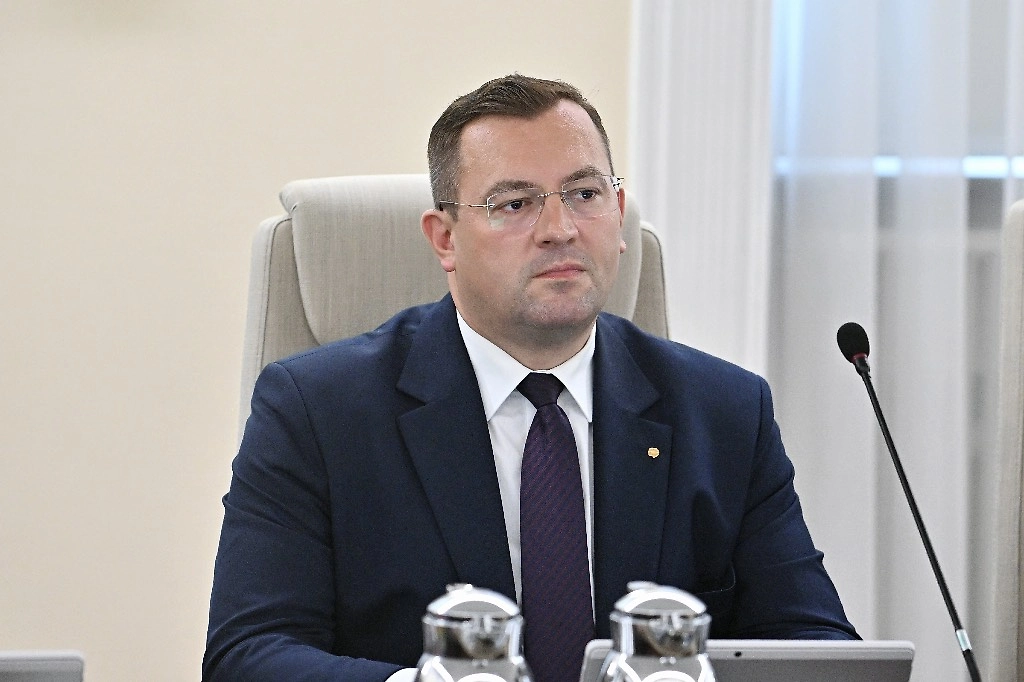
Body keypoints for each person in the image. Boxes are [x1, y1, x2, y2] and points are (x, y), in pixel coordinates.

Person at [203, 74, 857, 682]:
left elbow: (817, 647)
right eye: (514, 203)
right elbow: (248, 655)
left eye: (584, 195)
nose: (559, 230)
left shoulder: (725, 412)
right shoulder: (317, 411)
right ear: (445, 239)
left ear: (619, 213)